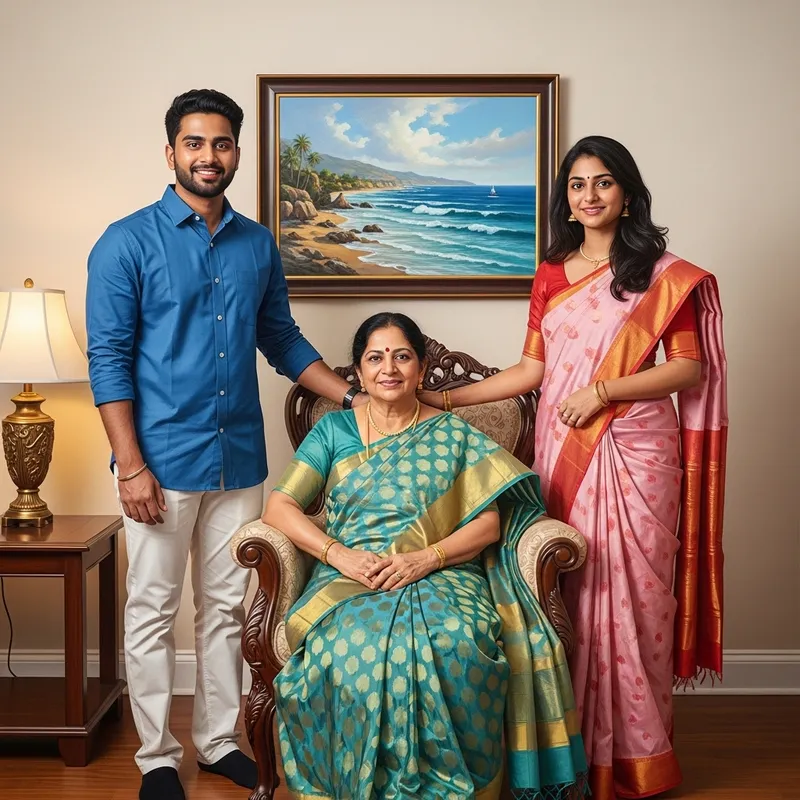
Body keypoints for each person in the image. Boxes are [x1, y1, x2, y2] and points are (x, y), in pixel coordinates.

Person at [420, 136, 728, 799]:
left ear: (628, 194)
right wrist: (443, 399)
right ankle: (574, 758)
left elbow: (687, 369)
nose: (590, 196)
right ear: (566, 198)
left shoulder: (660, 274)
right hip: (568, 449)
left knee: (637, 598)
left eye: (604, 182)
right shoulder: (551, 273)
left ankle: (639, 757)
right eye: (577, 184)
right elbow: (532, 369)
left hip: (638, 453)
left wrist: (604, 392)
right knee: (576, 595)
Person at [86, 89, 365, 800]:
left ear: (237, 151)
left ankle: (216, 743)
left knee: (226, 609)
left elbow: (281, 338)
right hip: (158, 463)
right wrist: (130, 466)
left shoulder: (257, 244)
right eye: (194, 142)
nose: (208, 156)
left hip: (238, 458)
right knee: (152, 608)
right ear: (171, 152)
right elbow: (108, 359)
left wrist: (351, 397)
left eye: (221, 143)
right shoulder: (126, 242)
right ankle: (157, 758)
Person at [261, 312, 589, 800]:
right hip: (351, 574)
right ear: (359, 372)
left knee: (456, 642)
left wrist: (427, 559)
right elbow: (278, 507)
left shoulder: (453, 433)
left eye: (402, 356)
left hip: (443, 572)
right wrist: (340, 555)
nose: (388, 368)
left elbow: (489, 525)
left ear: (419, 369)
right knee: (346, 648)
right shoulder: (333, 431)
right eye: (375, 358)